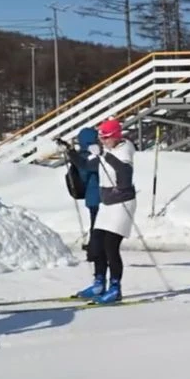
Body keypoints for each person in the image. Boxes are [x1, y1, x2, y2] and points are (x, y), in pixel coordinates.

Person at [75, 119, 137, 303]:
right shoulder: (106, 149)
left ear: (116, 136)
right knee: (97, 244)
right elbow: (87, 165)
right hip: (107, 203)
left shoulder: (125, 150)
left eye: (106, 138)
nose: (103, 141)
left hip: (122, 203)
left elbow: (124, 176)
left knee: (111, 246)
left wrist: (104, 154)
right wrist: (70, 152)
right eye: (101, 138)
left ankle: (115, 288)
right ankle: (99, 283)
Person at [73, 127, 102, 257]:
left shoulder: (83, 155)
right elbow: (85, 173)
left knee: (96, 224)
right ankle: (94, 251)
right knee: (98, 225)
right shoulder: (88, 157)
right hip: (96, 196)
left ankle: (93, 248)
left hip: (93, 196)